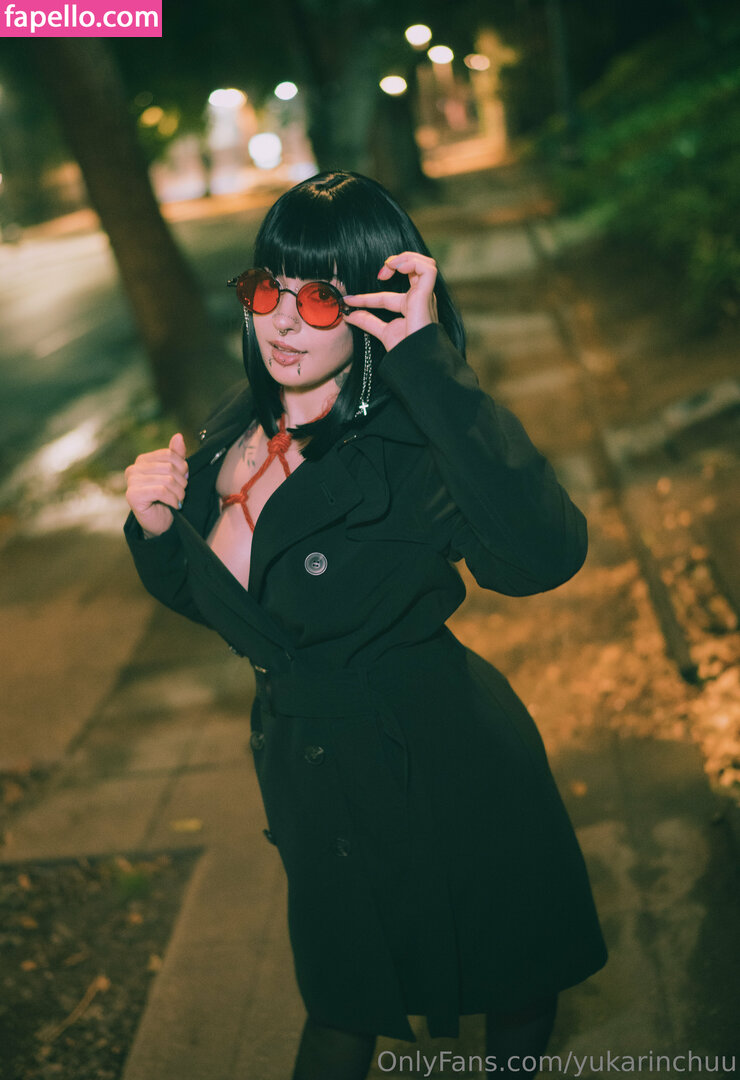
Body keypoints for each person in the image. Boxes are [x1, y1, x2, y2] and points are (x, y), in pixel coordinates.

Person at [124, 171, 608, 1080]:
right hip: (312, 774)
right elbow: (240, 612)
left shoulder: (412, 444)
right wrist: (156, 532)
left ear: (373, 307)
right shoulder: (236, 424)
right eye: (266, 289)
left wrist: (428, 362)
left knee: (510, 981)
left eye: (319, 298)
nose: (283, 323)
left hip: (443, 762)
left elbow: (542, 556)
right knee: (344, 1003)